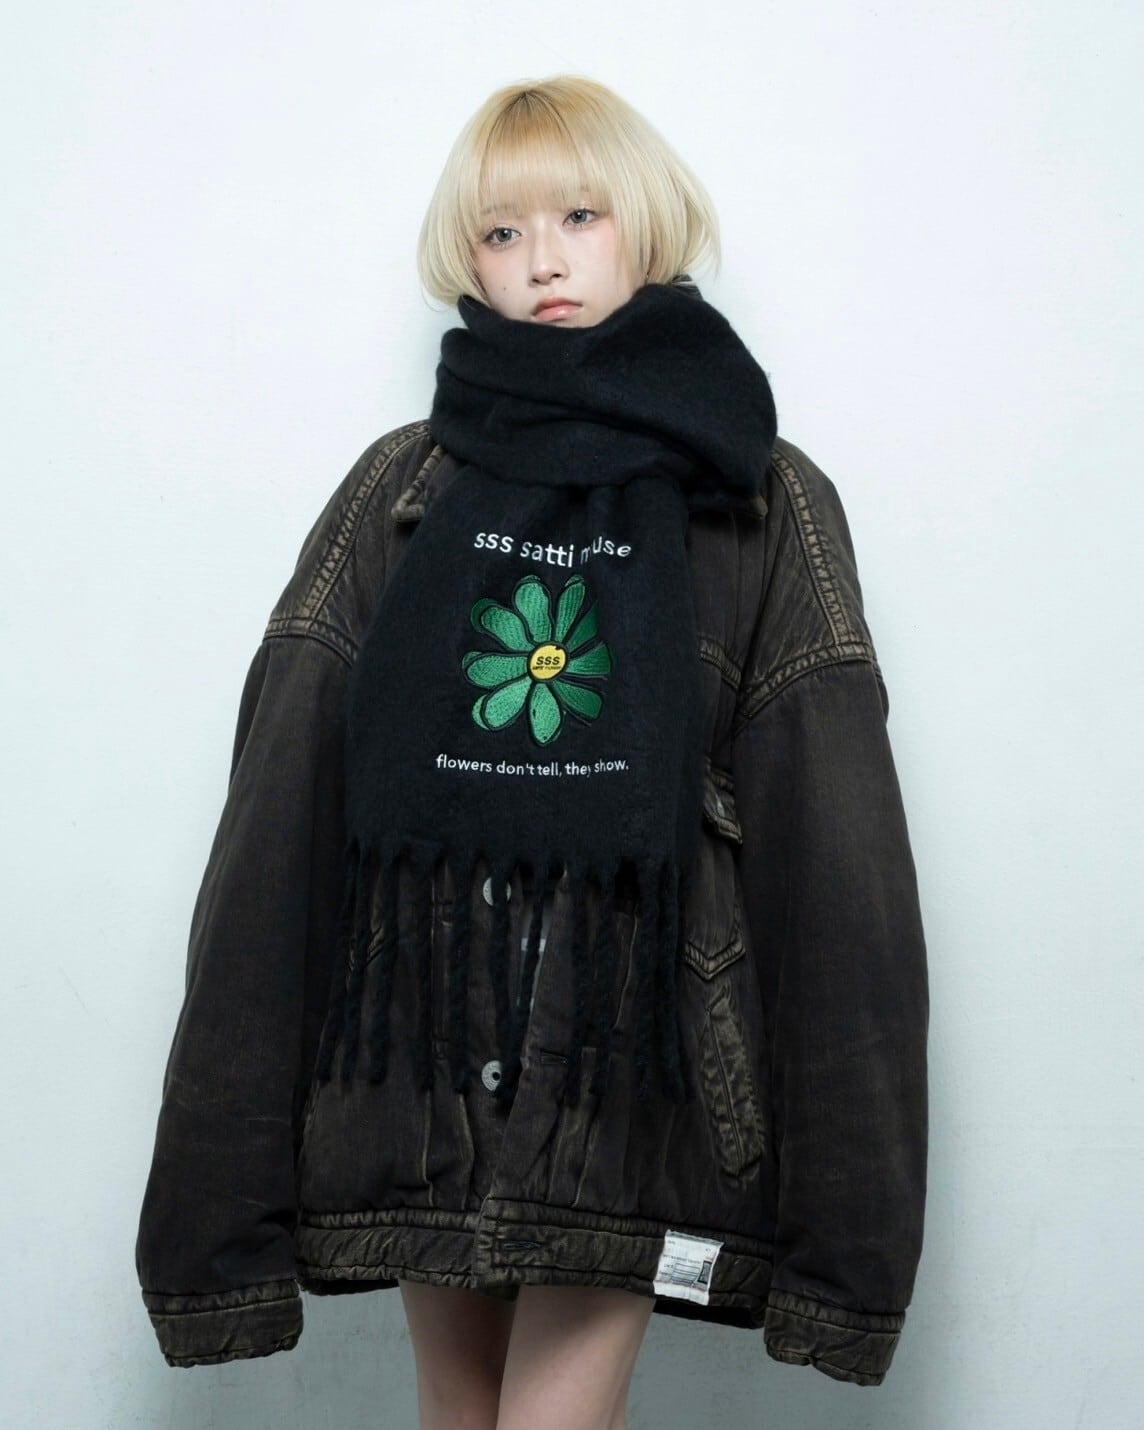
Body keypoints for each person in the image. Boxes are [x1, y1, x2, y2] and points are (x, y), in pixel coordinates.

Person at [136, 75, 929, 1429]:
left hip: (634, 1088)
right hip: (414, 1075)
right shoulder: (401, 489)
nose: (543, 260)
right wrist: (215, 1213)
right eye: (502, 232)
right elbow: (276, 823)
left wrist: (847, 1248)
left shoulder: (758, 496)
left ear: (648, 223)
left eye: (579, 216)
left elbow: (840, 865)